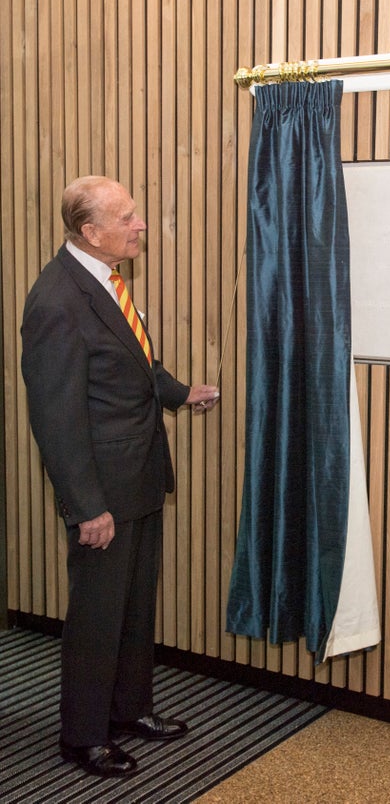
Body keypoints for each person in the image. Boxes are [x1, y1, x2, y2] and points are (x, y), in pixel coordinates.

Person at [20, 176, 220, 777]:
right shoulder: (56, 300)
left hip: (138, 478)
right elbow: (55, 416)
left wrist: (181, 394)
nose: (140, 225)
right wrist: (86, 507)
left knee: (134, 609)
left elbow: (134, 363)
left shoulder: (106, 282)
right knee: (97, 616)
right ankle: (83, 736)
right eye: (128, 217)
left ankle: (130, 711)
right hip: (102, 493)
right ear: (91, 231)